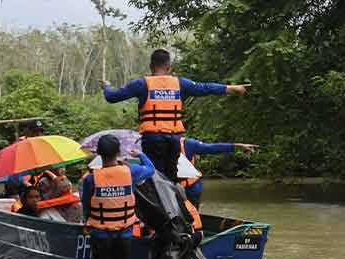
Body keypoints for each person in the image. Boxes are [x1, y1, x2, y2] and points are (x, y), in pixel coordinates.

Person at [100, 48, 249, 181]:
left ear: (151, 66)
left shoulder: (141, 84)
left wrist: (106, 86)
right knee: (171, 178)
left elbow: (112, 97)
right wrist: (231, 88)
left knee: (155, 177)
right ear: (168, 67)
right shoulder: (180, 83)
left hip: (153, 139)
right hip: (173, 139)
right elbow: (205, 88)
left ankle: (158, 209)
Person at [80, 134, 155, 259]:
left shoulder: (91, 179)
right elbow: (151, 169)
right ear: (119, 152)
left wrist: (89, 222)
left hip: (100, 233)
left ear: (99, 154)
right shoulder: (130, 172)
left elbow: (86, 204)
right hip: (124, 233)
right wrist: (141, 155)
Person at [179, 137, 258, 207]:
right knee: (190, 216)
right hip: (190, 188)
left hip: (184, 189)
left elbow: (212, 148)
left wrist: (237, 146)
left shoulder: (187, 143)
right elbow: (212, 148)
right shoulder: (187, 143)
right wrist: (238, 146)